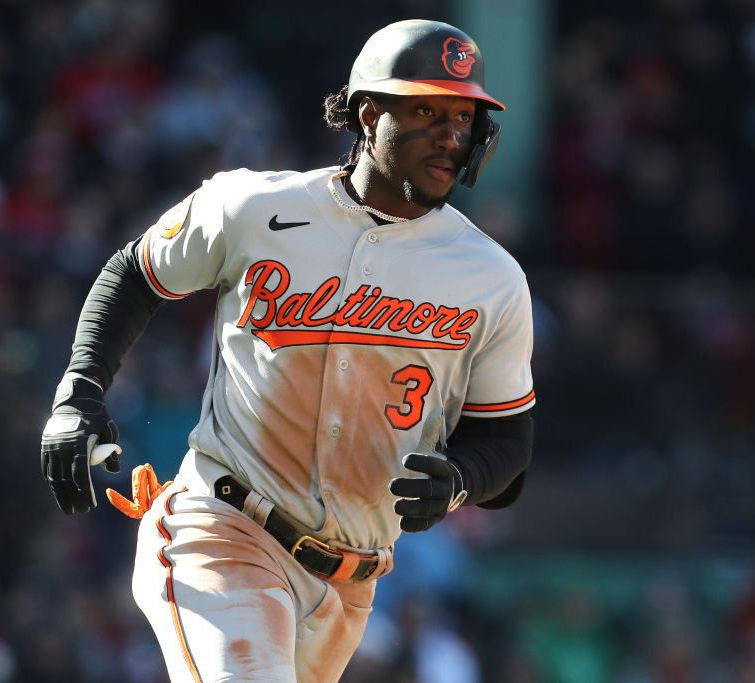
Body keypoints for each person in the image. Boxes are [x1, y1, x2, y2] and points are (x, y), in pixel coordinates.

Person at [39, 18, 535, 683]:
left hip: (351, 582)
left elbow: (507, 442)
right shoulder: (254, 206)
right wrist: (79, 390)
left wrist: (464, 480)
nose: (452, 132)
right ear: (369, 112)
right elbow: (135, 273)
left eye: (465, 116)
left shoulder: (491, 276)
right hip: (223, 529)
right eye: (427, 109)